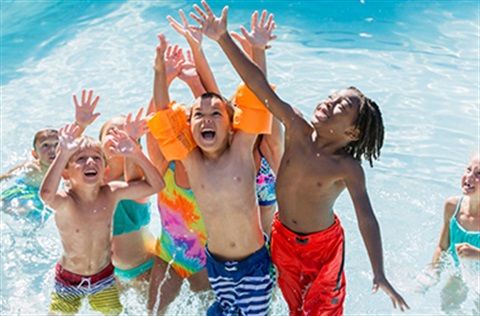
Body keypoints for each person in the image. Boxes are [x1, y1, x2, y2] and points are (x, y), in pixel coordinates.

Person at [190, 1, 409, 314]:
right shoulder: (295, 127)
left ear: (353, 134)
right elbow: (257, 85)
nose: (328, 103)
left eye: (341, 108)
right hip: (283, 241)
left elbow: (366, 219)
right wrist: (223, 38)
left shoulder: (346, 167)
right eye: (332, 97)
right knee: (296, 309)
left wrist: (379, 271)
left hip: (323, 250)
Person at [147, 33, 275, 315]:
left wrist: (257, 51)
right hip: (215, 267)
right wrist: (160, 75)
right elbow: (164, 119)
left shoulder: (242, 151)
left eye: (216, 114)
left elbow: (257, 96)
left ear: (231, 126)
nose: (206, 119)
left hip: (252, 266)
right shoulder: (192, 162)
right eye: (198, 115)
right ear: (188, 129)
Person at [168, 8, 283, 236]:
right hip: (224, 254)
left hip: (267, 249)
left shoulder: (270, 145)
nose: (242, 113)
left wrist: (258, 53)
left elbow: (260, 95)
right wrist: (196, 49)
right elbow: (213, 101)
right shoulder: (232, 147)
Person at [39, 122, 164, 315]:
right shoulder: (66, 201)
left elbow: (156, 185)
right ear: (66, 172)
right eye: (81, 159)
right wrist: (63, 153)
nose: (90, 162)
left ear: (104, 169)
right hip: (69, 280)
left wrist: (135, 152)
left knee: (114, 312)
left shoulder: (111, 193)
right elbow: (46, 195)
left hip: (104, 279)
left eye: (96, 158)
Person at [146, 42, 212, 315]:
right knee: (153, 313)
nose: (180, 126)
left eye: (188, 120)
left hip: (207, 261)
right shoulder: (165, 164)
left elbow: (216, 112)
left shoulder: (211, 163)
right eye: (176, 122)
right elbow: (155, 123)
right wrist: (164, 75)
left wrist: (195, 82)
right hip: (168, 255)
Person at [72, 89, 156, 296]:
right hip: (110, 273)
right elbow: (66, 160)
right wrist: (80, 127)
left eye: (125, 132)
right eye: (112, 131)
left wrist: (131, 146)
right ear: (99, 143)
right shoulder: (91, 180)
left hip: (143, 268)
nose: (119, 136)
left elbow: (132, 180)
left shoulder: (137, 180)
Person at [428, 151, 480, 312]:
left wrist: (477, 254)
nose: (470, 176)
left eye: (479, 174)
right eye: (468, 169)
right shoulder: (452, 207)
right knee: (447, 306)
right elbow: (442, 247)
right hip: (460, 274)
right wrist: (433, 272)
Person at [1, 128, 58, 222]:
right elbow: (7, 175)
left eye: (56, 144)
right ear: (35, 154)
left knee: (41, 219)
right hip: (23, 190)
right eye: (45, 145)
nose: (52, 150)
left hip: (39, 195)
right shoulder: (33, 167)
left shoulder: (63, 167)